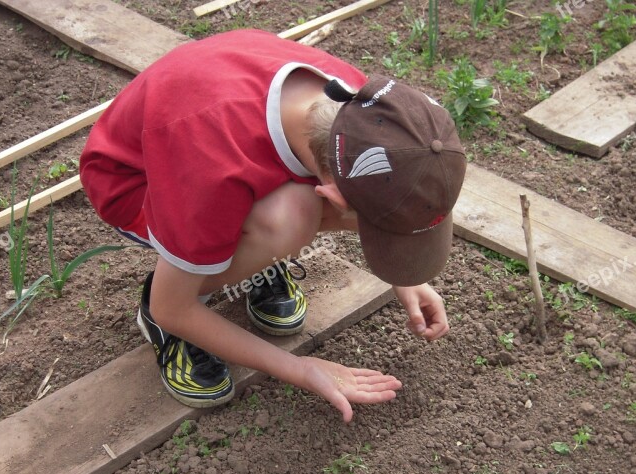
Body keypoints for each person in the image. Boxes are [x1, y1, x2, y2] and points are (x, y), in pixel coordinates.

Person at [79, 29, 467, 423]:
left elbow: (386, 189)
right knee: (290, 220)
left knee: (294, 212)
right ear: (331, 195)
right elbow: (171, 307)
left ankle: (251, 258)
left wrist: (404, 276)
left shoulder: (362, 108)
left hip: (220, 142)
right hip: (134, 182)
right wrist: (303, 369)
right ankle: (187, 292)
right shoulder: (211, 171)